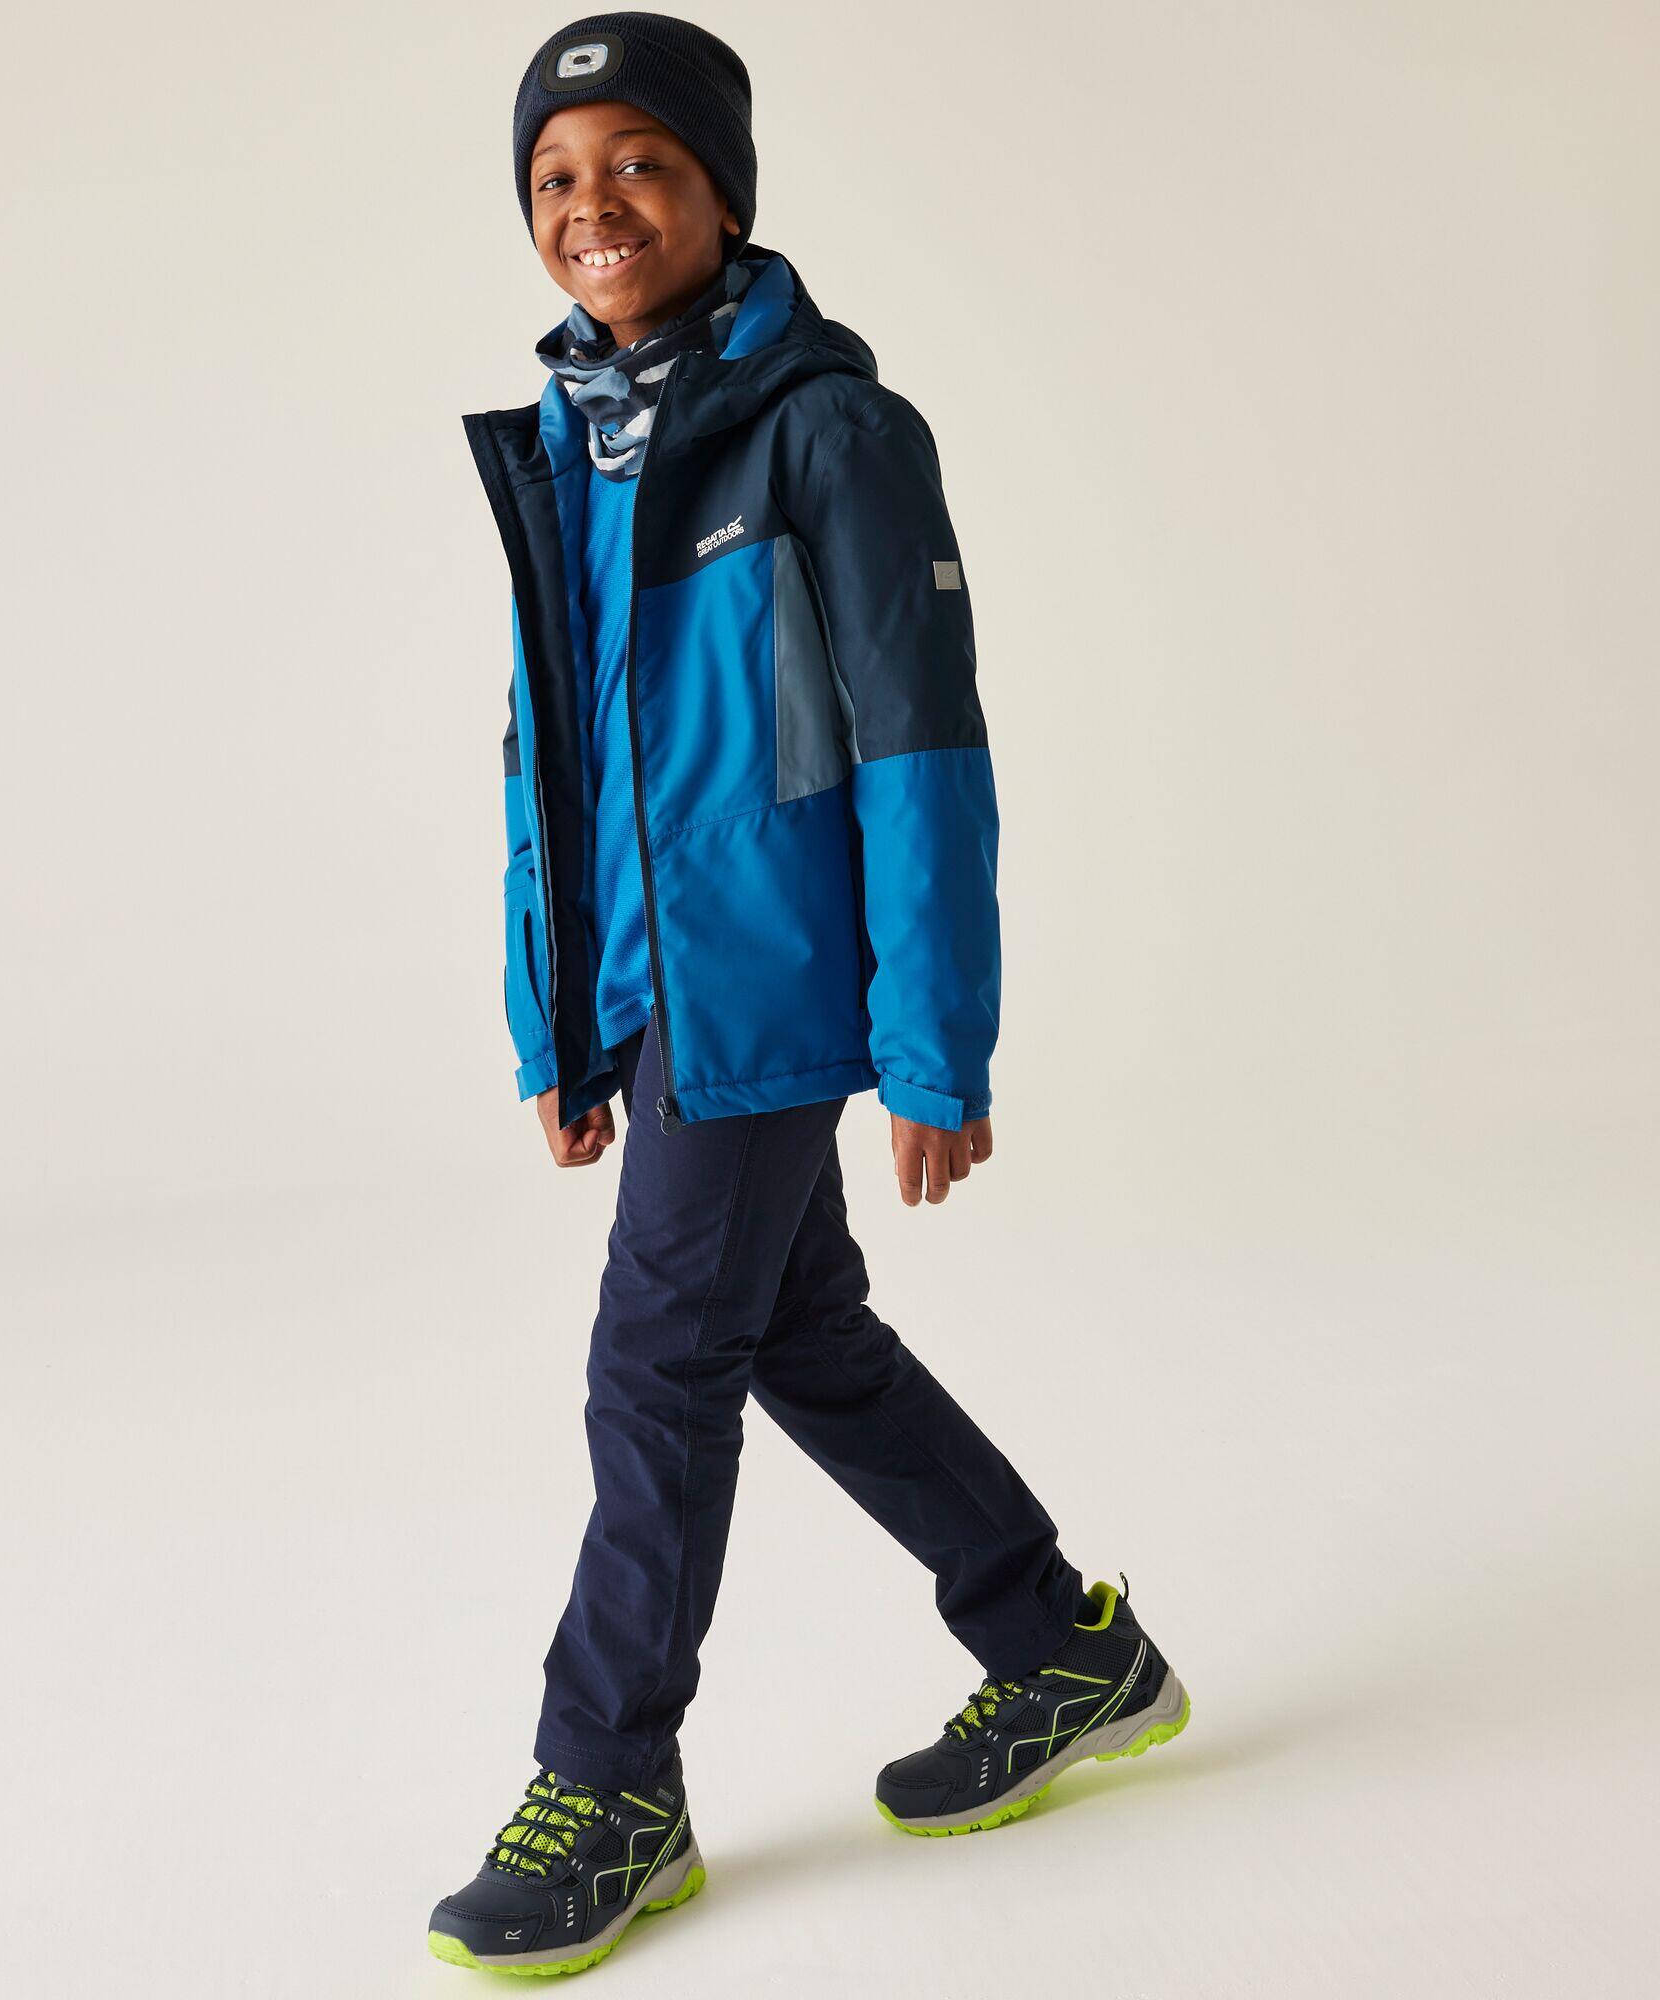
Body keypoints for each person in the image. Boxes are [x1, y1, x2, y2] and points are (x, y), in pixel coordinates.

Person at [432, 12, 1189, 1976]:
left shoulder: (829, 433)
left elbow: (924, 751)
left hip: (769, 990)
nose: (593, 205)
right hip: (659, 1001)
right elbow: (554, 768)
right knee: (796, 1334)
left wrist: (937, 1041)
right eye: (555, 176)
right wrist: (558, 1018)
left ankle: (609, 1780)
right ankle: (1060, 1645)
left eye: (640, 162)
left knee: (654, 1365)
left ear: (724, 192)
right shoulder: (574, 440)